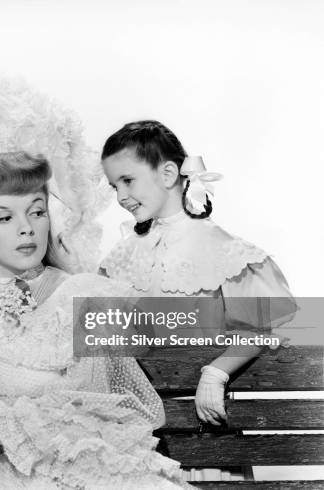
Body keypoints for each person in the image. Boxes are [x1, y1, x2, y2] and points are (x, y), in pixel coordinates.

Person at [0, 152, 192, 489]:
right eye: (4, 218)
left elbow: (83, 429)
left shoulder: (81, 297)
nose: (26, 227)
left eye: (37, 212)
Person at [98, 120, 295, 429]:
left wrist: (216, 374)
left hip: (202, 419)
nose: (121, 196)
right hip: (139, 420)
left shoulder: (223, 251)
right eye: (115, 186)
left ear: (167, 174)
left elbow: (257, 330)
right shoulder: (122, 257)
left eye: (127, 180)